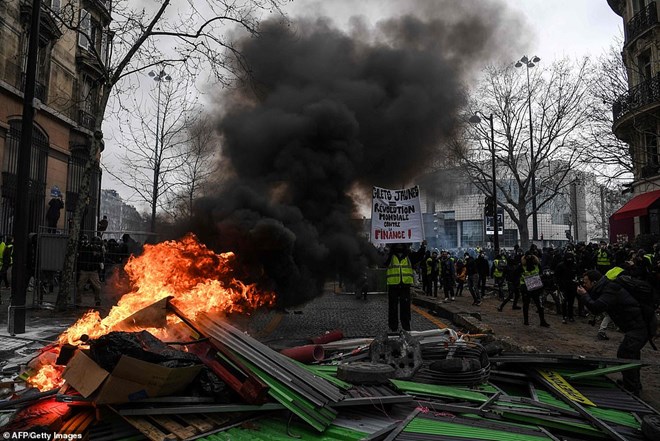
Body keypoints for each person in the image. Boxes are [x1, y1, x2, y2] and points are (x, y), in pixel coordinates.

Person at [577, 270, 654, 396]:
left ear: (594, 282)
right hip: (637, 325)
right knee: (631, 354)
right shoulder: (606, 288)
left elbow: (596, 308)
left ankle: (632, 390)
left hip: (640, 326)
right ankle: (634, 384)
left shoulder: (610, 289)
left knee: (625, 353)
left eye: (586, 282)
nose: (584, 285)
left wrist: (584, 295)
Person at [384, 241, 426, 332]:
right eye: (397, 243)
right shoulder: (390, 255)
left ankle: (406, 328)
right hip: (393, 286)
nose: (399, 245)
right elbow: (384, 262)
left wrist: (423, 247)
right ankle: (393, 328)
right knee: (393, 308)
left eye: (401, 243)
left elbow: (419, 256)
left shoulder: (409, 255)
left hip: (405, 286)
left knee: (405, 309)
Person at [520, 251, 550, 327]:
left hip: (536, 287)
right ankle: (526, 321)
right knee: (526, 304)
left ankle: (542, 321)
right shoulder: (522, 266)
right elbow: (516, 275)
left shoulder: (537, 265)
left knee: (539, 305)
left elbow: (540, 274)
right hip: (526, 287)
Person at [76, 235, 104, 306]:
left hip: (93, 271)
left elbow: (101, 260)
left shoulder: (99, 250)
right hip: (85, 270)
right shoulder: (85, 248)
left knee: (97, 287)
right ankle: (78, 301)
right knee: (80, 286)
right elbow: (80, 258)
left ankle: (97, 300)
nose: (96, 245)